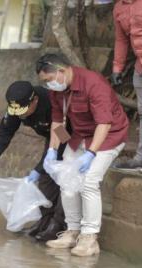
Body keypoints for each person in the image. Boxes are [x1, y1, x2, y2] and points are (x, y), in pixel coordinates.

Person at [36, 54, 129, 257]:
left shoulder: (93, 83)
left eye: (48, 79)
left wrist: (91, 154)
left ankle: (89, 238)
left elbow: (105, 123)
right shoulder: (56, 91)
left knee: (88, 182)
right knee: (66, 180)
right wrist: (52, 149)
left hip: (109, 136)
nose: (48, 85)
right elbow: (58, 122)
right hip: (80, 137)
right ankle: (72, 231)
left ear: (61, 71)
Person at [0, 81, 67, 242]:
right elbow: (5, 130)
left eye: (23, 111)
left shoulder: (52, 103)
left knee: (63, 179)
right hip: (52, 136)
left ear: (35, 100)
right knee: (46, 180)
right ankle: (44, 221)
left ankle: (58, 225)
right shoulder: (18, 106)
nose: (20, 115)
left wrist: (39, 168)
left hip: (69, 135)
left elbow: (63, 139)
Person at [111, 0, 142, 175]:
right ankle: (141, 159)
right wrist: (117, 68)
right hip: (141, 66)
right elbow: (121, 40)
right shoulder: (119, 8)